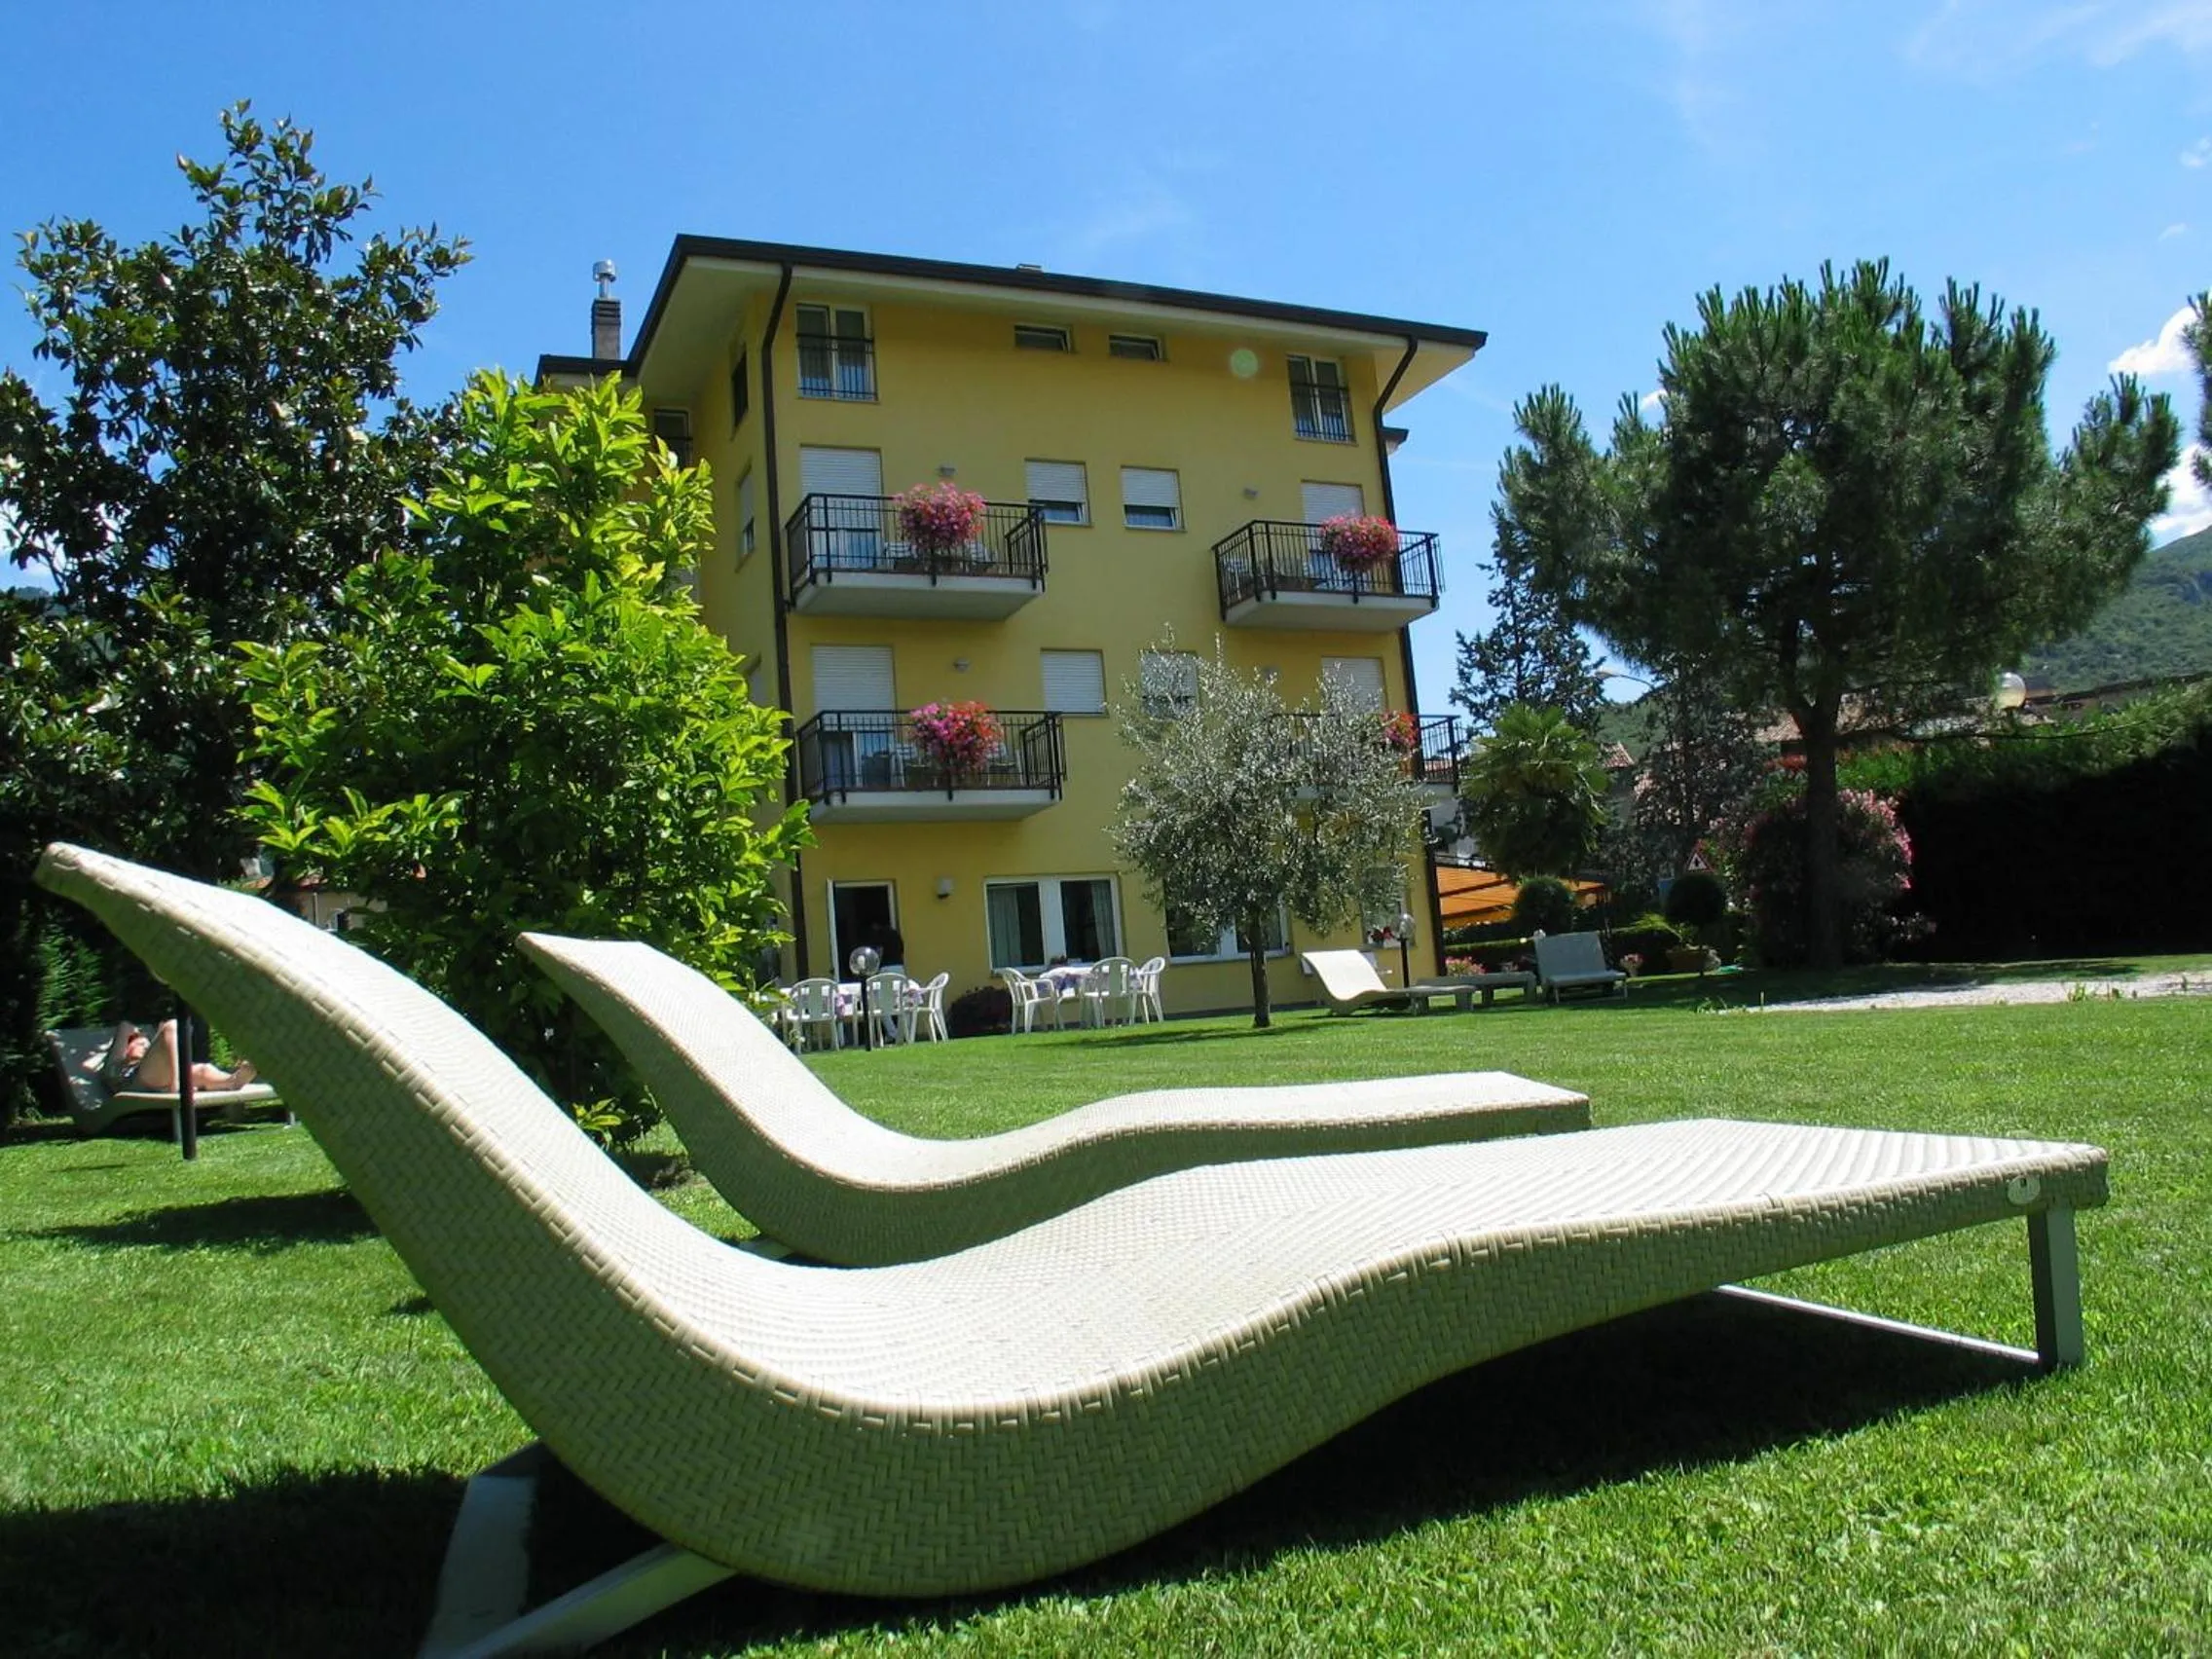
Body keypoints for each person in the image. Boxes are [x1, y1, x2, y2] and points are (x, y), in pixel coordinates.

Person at [85, 1019, 257, 1092]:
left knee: (203, 1070)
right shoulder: (116, 1068)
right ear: (127, 1048)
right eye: (140, 1044)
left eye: (147, 1045)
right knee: (172, 1026)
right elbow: (125, 1026)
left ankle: (234, 1081)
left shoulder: (150, 1063)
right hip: (135, 1082)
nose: (145, 1047)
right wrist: (137, 1034)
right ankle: (177, 1084)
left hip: (156, 1079)